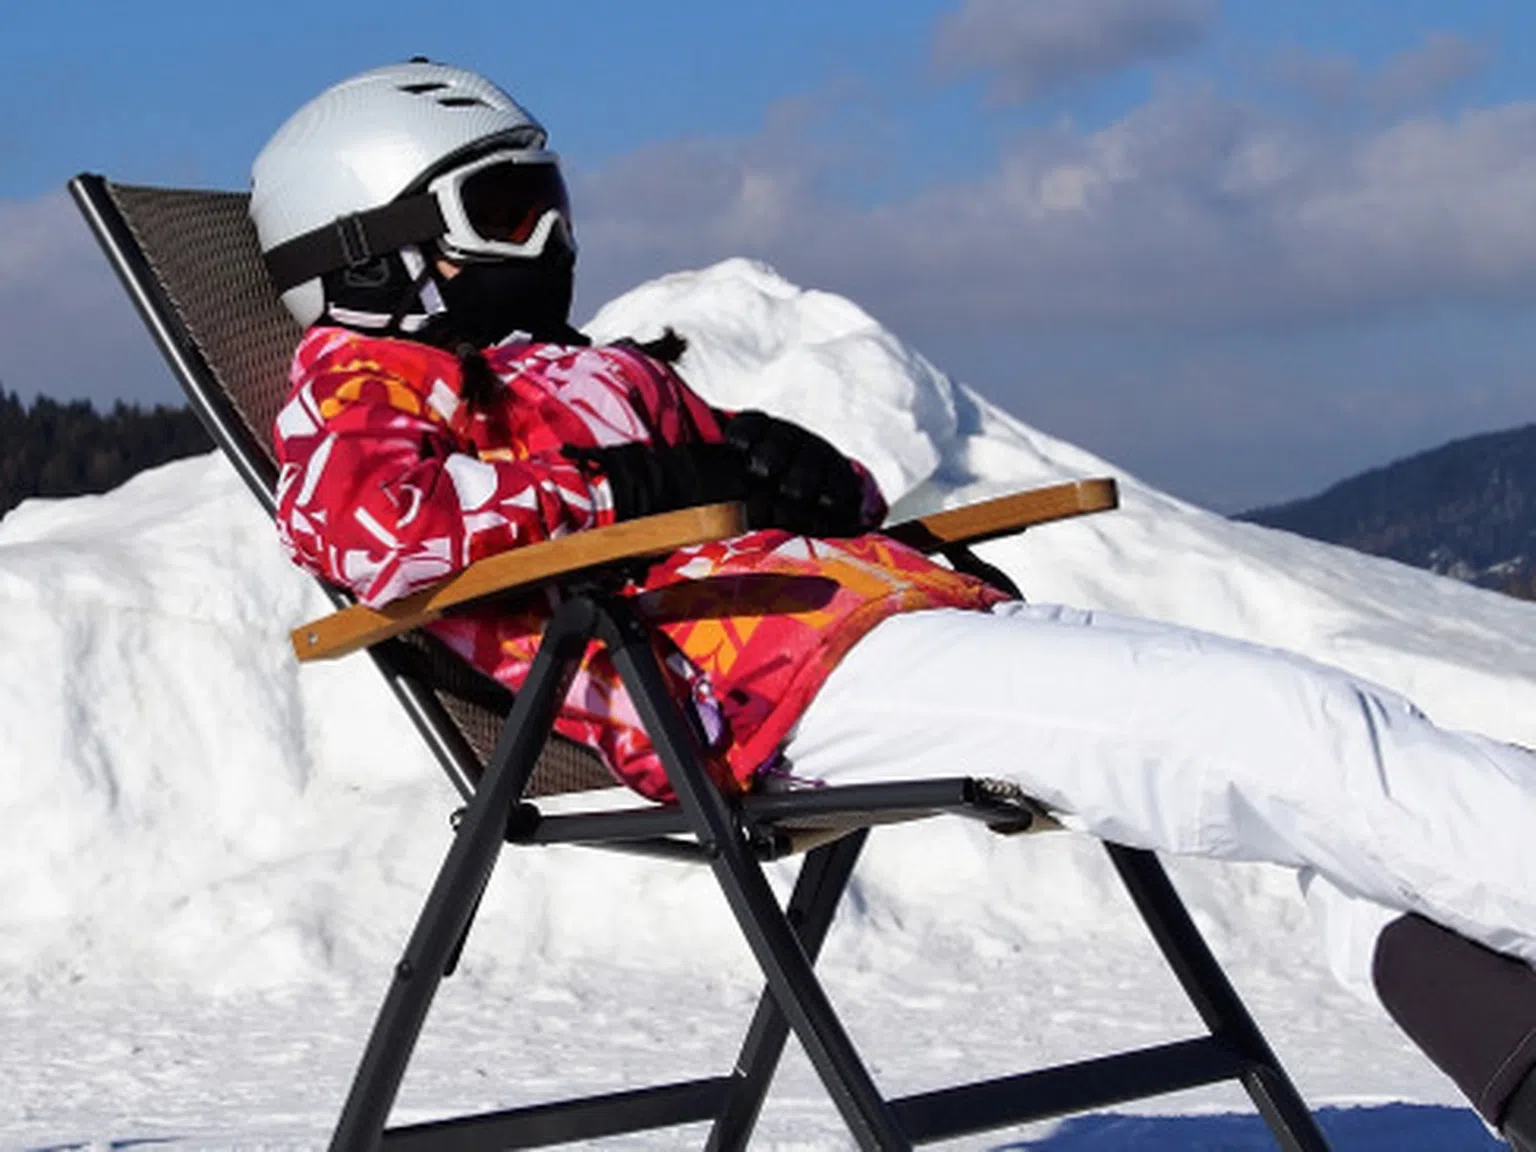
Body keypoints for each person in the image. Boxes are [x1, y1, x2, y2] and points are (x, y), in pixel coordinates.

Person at [252, 60, 1536, 1147]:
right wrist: (624, 485)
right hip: (759, 683)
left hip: (894, 626)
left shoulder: (589, 374)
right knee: (1295, 740)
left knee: (1332, 775)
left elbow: (792, 489)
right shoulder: (358, 379)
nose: (555, 237)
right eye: (508, 206)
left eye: (553, 197)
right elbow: (379, 536)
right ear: (375, 254)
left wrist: (791, 465)